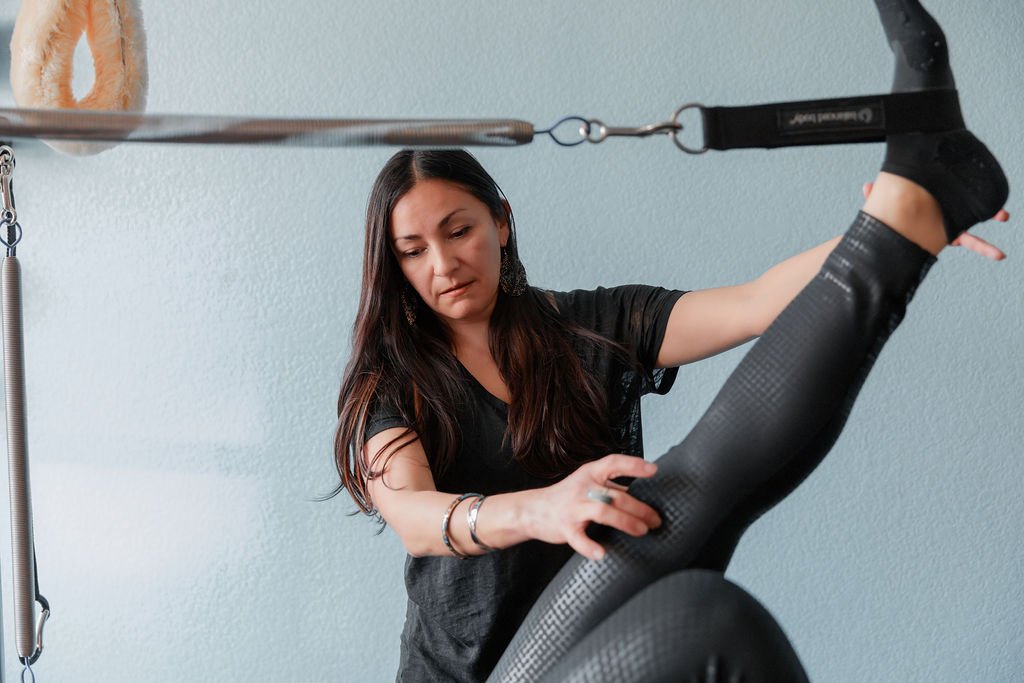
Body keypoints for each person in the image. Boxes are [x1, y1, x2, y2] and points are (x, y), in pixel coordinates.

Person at [331, 2, 1010, 680]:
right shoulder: (391, 385)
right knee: (706, 616)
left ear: (500, 222)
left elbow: (757, 302)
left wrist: (886, 229)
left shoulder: (588, 327)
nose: (443, 264)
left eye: (458, 232)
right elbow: (417, 516)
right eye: (413, 250)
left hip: (595, 629)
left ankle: (909, 210)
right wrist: (541, 508)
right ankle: (904, 215)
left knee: (704, 581)